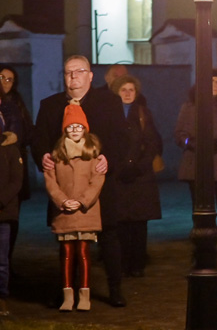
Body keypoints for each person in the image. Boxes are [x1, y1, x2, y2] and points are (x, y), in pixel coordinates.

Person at [33, 56, 128, 307]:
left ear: (90, 75)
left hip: (99, 183)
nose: (73, 76)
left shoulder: (109, 102)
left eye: (79, 71)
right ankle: (67, 290)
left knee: (108, 236)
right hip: (65, 185)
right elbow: (39, 140)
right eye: (68, 72)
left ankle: (115, 289)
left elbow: (121, 139)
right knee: (67, 240)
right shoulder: (50, 105)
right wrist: (42, 156)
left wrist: (109, 160)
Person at [44, 104, 104, 312]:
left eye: (79, 126)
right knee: (67, 254)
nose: (75, 130)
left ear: (85, 128)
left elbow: (97, 181)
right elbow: (51, 182)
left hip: (86, 212)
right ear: (65, 130)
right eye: (71, 127)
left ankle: (84, 295)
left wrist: (82, 201)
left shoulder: (92, 154)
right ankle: (67, 295)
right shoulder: (57, 156)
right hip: (65, 213)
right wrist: (63, 201)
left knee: (84, 253)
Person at [175, 70, 217, 260]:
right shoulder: (189, 107)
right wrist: (191, 143)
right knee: (199, 210)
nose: (215, 85)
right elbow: (179, 134)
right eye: (211, 81)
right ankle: (202, 248)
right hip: (196, 164)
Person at [107, 73, 162, 279]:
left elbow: (153, 143)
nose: (128, 93)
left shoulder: (142, 113)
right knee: (121, 223)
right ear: (116, 92)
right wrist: (119, 167)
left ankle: (138, 264)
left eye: (131, 90)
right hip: (118, 176)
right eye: (124, 90)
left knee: (139, 223)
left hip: (140, 177)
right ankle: (123, 263)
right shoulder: (110, 114)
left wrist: (139, 166)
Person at [0, 65, 33, 264]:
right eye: (1, 77)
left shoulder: (17, 104)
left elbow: (26, 132)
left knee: (11, 218)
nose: (4, 82)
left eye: (9, 79)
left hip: (12, 165)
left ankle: (7, 262)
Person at [0, 112, 22, 316]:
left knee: (1, 260)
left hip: (3, 214)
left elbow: (16, 181)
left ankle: (1, 297)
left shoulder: (10, 150)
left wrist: (1, 200)